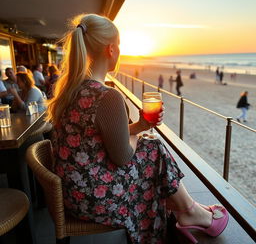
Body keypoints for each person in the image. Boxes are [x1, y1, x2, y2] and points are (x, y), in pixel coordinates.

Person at [46, 13, 228, 244]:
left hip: (72, 193)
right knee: (153, 148)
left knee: (149, 146)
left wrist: (139, 126)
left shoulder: (70, 89)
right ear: (111, 49)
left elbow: (93, 140)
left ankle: (188, 208)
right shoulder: (106, 96)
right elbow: (123, 157)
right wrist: (140, 134)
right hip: (96, 201)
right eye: (119, 46)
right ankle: (190, 211)